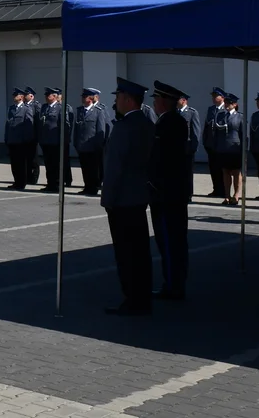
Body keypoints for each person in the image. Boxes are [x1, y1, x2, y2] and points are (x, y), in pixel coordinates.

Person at [102, 77, 155, 317]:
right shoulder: (146, 123)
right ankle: (142, 296)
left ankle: (132, 299)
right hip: (139, 196)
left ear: (127, 99)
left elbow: (115, 168)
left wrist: (108, 199)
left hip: (122, 199)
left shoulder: (124, 127)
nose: (116, 102)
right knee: (140, 250)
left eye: (117, 97)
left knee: (126, 253)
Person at [149, 80, 193, 300]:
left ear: (164, 101)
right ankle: (175, 282)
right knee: (175, 239)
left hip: (166, 193)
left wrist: (153, 184)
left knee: (169, 240)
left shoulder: (168, 123)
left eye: (156, 99)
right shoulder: (173, 121)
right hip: (173, 192)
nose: (155, 103)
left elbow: (162, 160)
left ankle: (173, 285)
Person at [74, 87, 108, 196]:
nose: (83, 99)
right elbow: (77, 129)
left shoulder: (98, 111)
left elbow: (101, 130)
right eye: (83, 96)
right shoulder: (80, 111)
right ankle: (87, 187)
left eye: (85, 97)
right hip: (82, 146)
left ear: (91, 98)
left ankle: (93, 188)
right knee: (85, 169)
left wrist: (99, 146)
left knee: (94, 169)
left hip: (93, 147)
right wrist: (76, 143)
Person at [38, 88, 72, 193]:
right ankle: (50, 184)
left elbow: (65, 125)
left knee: (56, 165)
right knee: (48, 165)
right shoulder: (44, 107)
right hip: (46, 141)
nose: (46, 97)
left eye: (49, 95)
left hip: (56, 142)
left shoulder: (61, 108)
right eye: (46, 95)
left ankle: (57, 185)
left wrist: (64, 141)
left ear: (55, 96)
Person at [216, 93, 244, 205]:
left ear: (235, 104)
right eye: (226, 102)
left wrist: (244, 149)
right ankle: (227, 196)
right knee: (225, 172)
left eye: (229, 103)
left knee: (236, 172)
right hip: (223, 148)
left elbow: (243, 134)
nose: (227, 105)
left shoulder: (240, 116)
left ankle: (236, 195)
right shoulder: (220, 115)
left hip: (235, 148)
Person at [201, 87, 226, 198]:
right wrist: (205, 141)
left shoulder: (226, 109)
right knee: (213, 169)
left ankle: (224, 190)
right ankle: (216, 189)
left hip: (221, 146)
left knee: (222, 169)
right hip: (211, 145)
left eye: (216, 96)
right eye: (213, 96)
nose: (214, 98)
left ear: (222, 97)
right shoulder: (211, 109)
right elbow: (207, 126)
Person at [23, 87, 40, 186]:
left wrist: (36, 136)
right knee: (27, 158)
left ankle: (34, 178)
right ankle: (27, 176)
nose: (25, 96)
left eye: (27, 95)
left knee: (34, 159)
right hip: (25, 137)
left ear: (32, 96)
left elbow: (37, 122)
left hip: (33, 136)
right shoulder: (24, 106)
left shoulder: (36, 106)